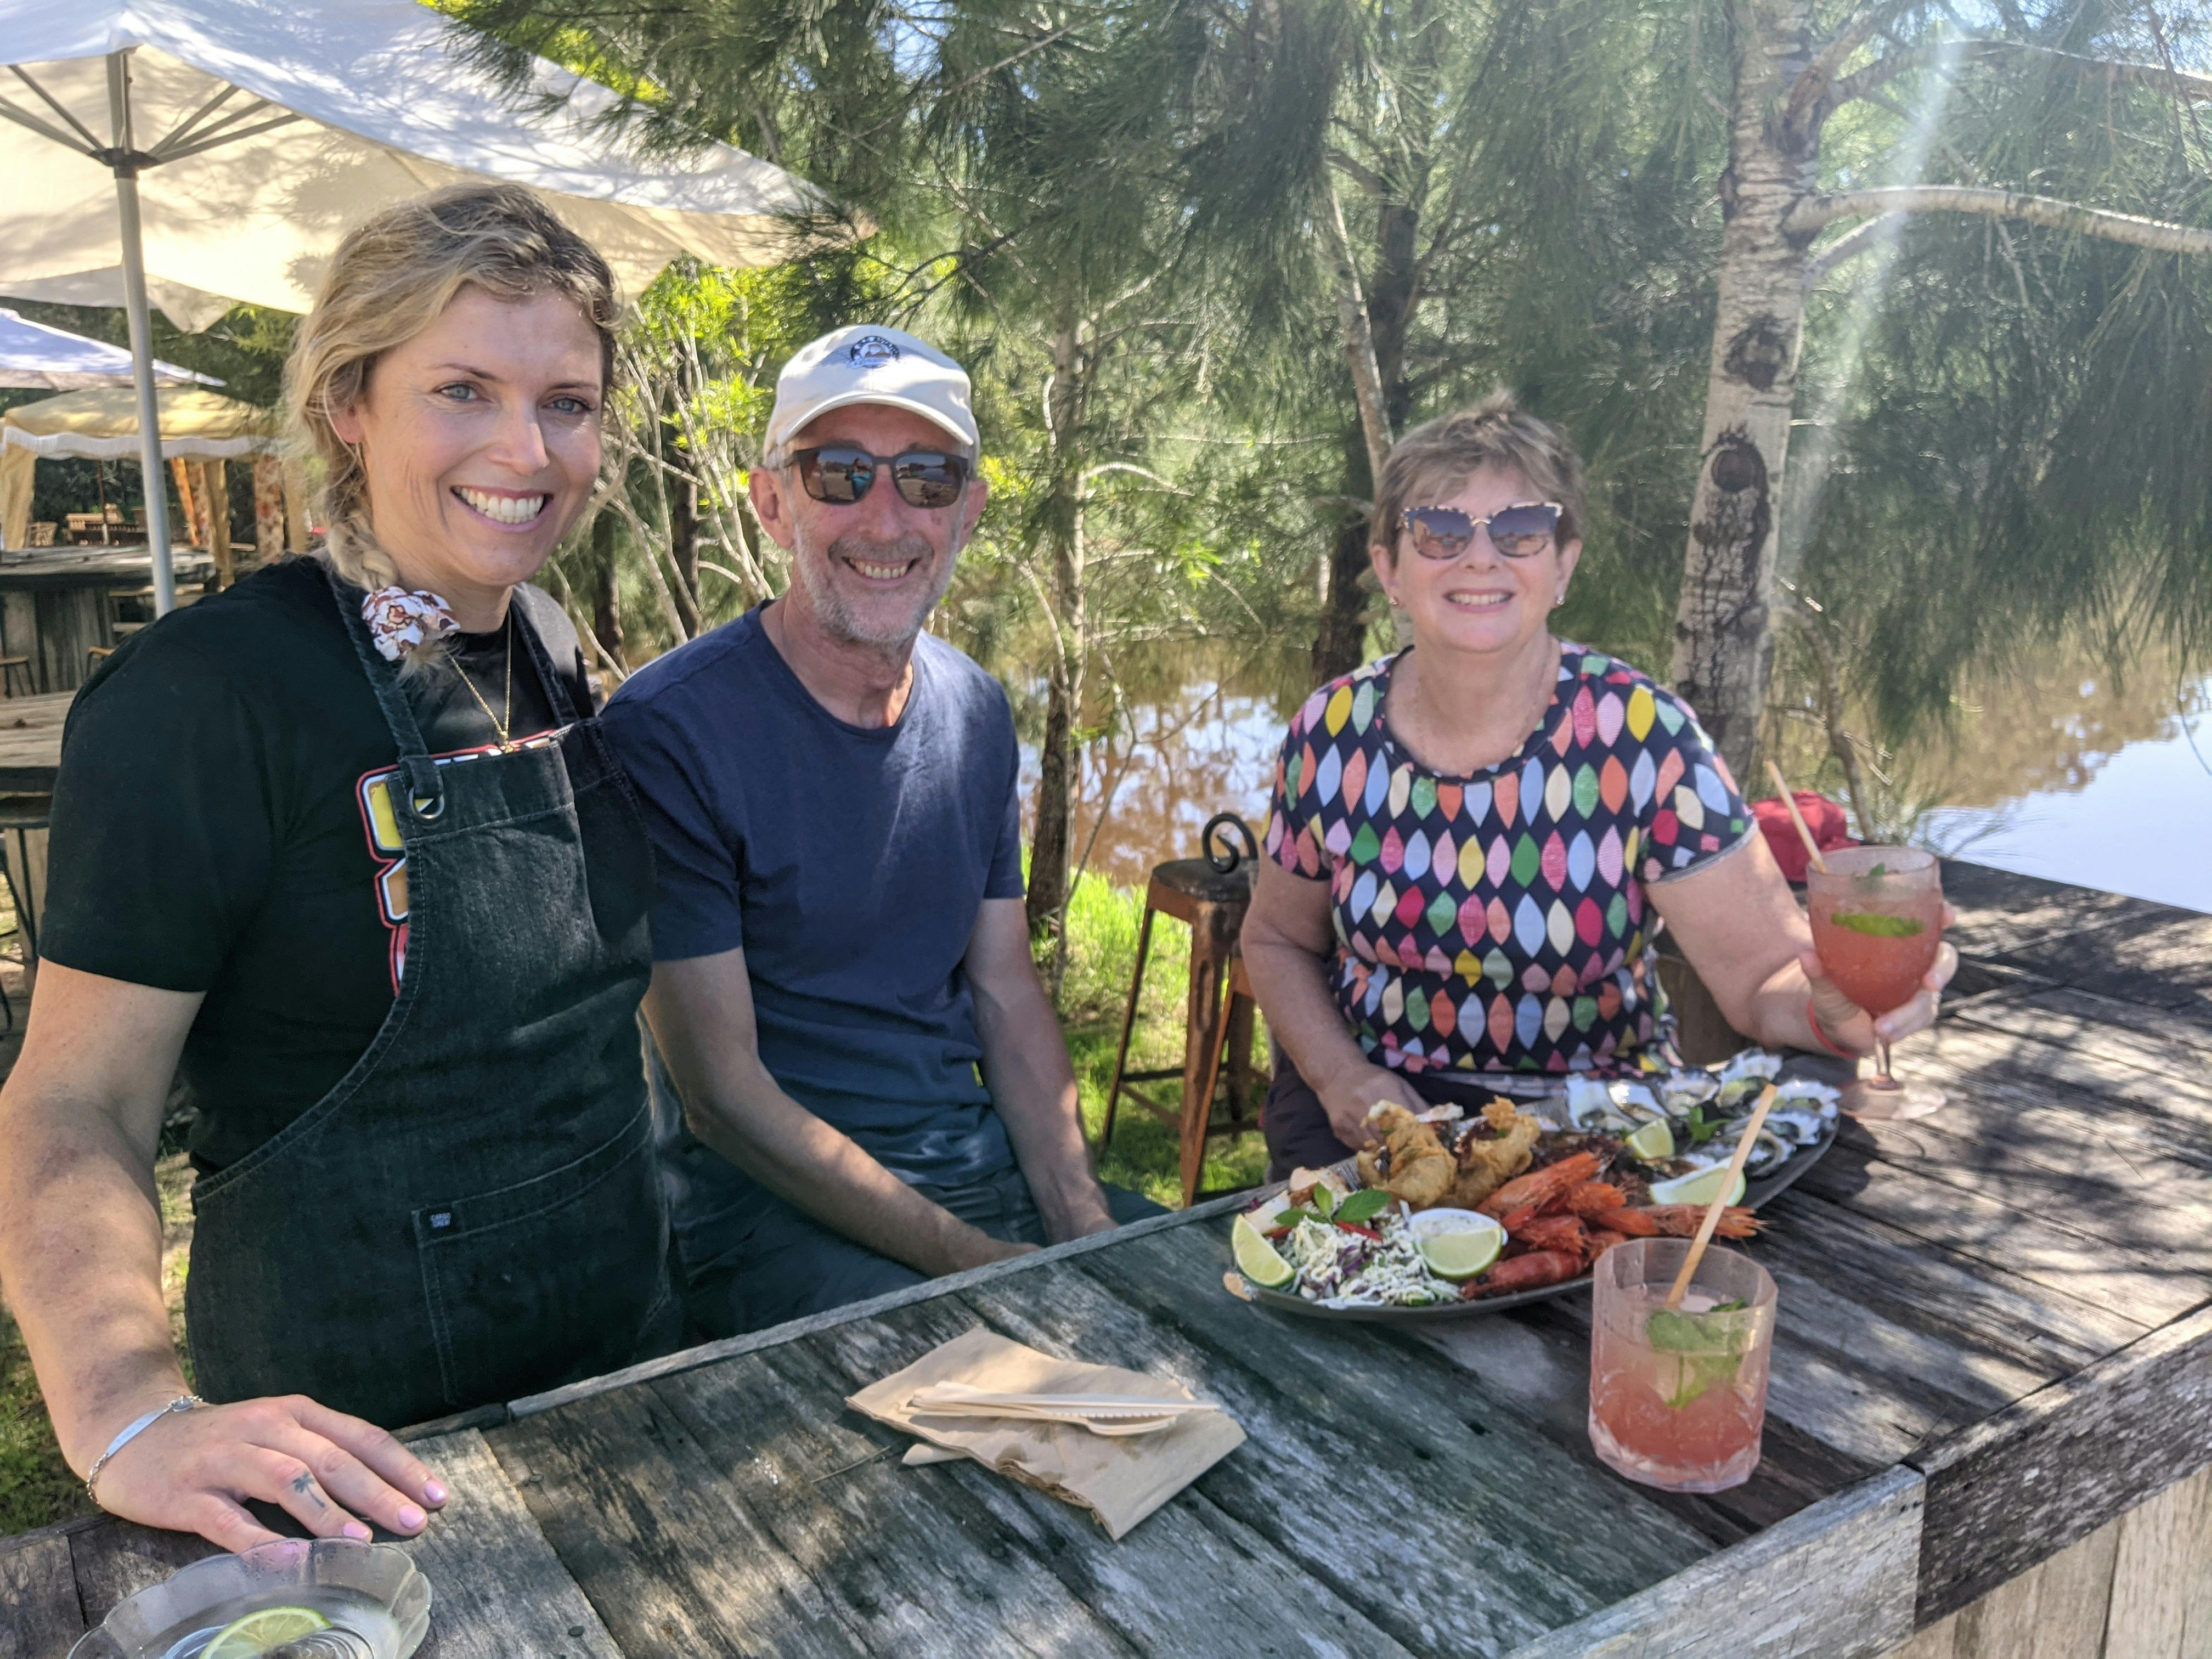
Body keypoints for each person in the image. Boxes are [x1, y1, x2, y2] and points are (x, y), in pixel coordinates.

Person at [0, 185, 678, 1552]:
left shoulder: (539, 641)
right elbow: (70, 1104)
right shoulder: (203, 697)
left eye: (568, 402)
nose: (526, 448)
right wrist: (125, 1409)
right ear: (347, 406)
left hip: (632, 1381)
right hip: (374, 1468)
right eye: (464, 390)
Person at [605, 324, 1157, 1339]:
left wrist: (1083, 1226)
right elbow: (721, 1095)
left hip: (977, 1174)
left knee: (1220, 1307)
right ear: (772, 504)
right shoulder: (666, 732)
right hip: (771, 1231)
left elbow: (1003, 987)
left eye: (927, 478)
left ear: (970, 510)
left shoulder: (980, 710)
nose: (885, 516)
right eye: (840, 473)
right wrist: (973, 1265)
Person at [1241, 393, 1959, 1173]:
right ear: (1389, 569)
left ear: (1564, 565)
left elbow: (1764, 978)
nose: (1480, 557)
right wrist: (1341, 1074)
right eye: (1440, 531)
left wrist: (1835, 1015)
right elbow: (1276, 938)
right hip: (1380, 1117)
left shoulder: (1643, 737)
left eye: (1519, 530)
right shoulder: (1331, 732)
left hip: (1595, 1127)